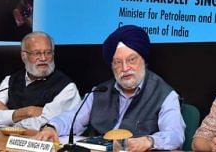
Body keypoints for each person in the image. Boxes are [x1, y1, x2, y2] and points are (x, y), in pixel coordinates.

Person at [35, 24, 185, 152]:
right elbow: (72, 118)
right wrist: (51, 127)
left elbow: (175, 135)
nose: (125, 68)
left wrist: (149, 140)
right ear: (112, 66)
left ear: (143, 59)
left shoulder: (164, 94)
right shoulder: (100, 91)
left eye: (131, 60)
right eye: (118, 62)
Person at [0, 31, 81, 130]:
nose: (43, 58)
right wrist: (26, 112)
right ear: (24, 56)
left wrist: (8, 115)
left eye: (48, 53)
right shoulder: (10, 80)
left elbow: (45, 125)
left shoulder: (66, 87)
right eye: (37, 53)